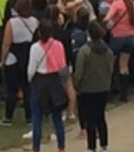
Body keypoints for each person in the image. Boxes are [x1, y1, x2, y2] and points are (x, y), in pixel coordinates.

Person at [27, 20, 69, 152]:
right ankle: (61, 147)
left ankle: (36, 148)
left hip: (40, 80)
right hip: (55, 80)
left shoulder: (35, 48)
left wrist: (30, 80)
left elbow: (31, 70)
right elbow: (63, 65)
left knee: (37, 117)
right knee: (57, 117)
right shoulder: (59, 45)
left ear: (39, 33)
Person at [0, 0, 39, 126]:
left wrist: (2, 60)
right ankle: (29, 116)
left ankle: (8, 116)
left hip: (13, 57)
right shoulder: (35, 22)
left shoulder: (11, 23)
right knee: (28, 88)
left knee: (11, 88)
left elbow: (6, 44)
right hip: (29, 55)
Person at [74, 21, 113, 152]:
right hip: (103, 87)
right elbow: (110, 68)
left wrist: (77, 86)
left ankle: (91, 147)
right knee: (101, 117)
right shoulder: (108, 51)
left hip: (88, 89)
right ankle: (104, 144)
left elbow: (79, 72)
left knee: (90, 119)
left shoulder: (84, 51)